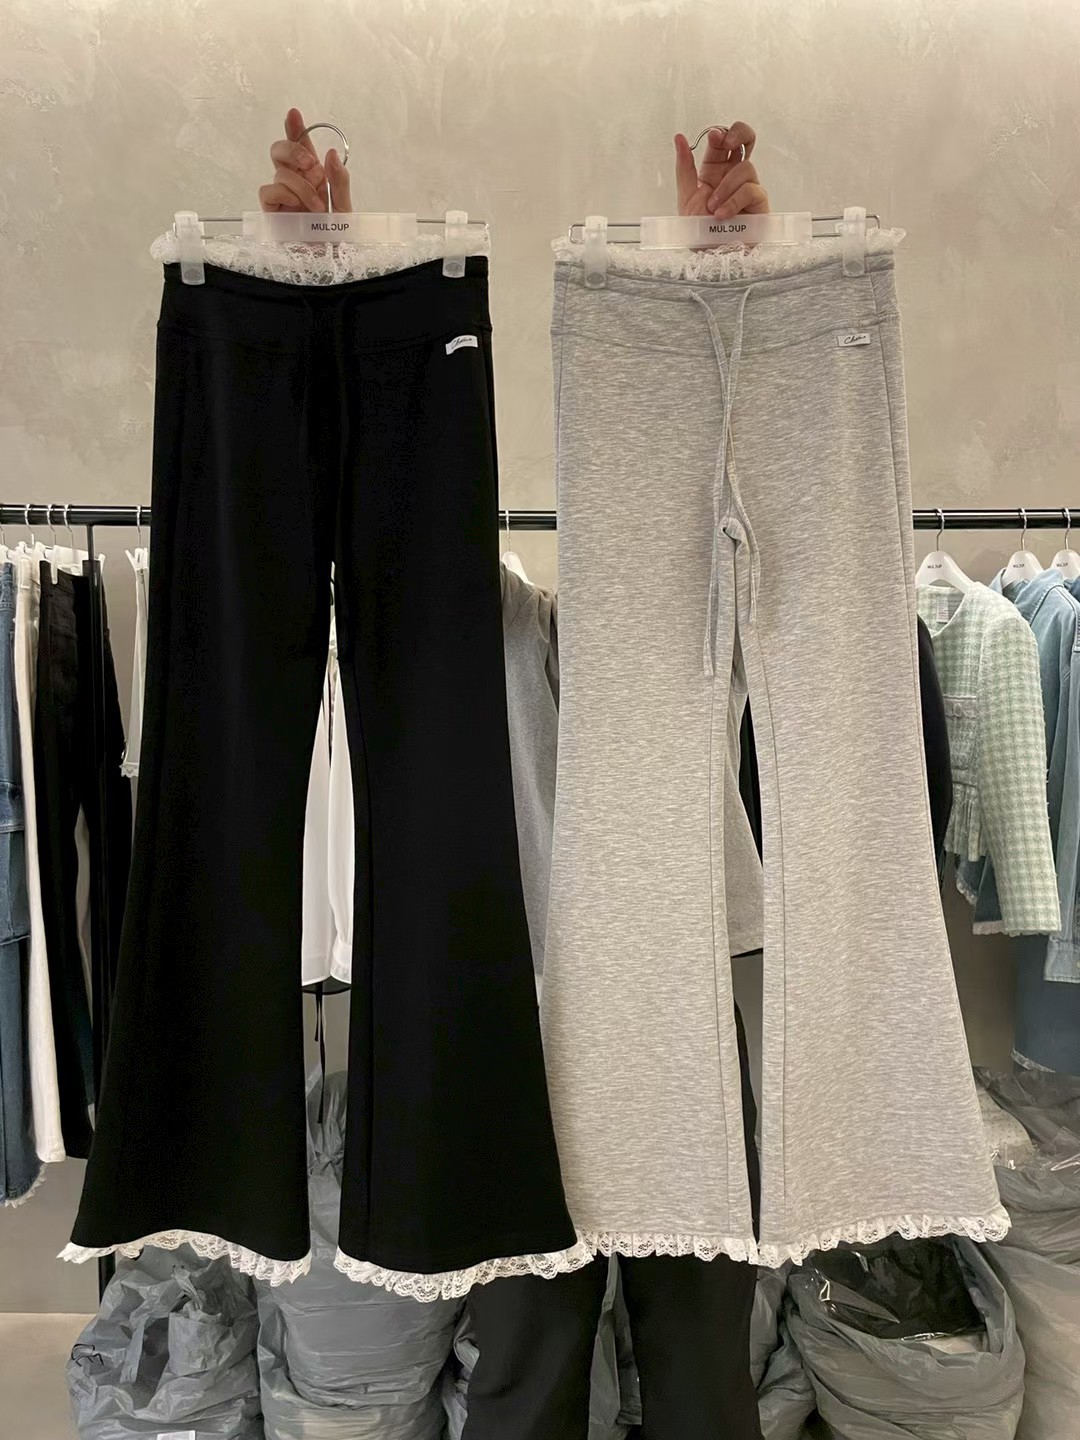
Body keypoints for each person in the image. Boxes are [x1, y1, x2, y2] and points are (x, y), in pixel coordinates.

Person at [255, 109, 772, 1440]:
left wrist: (718, 291)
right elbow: (334, 509)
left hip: (682, 1000)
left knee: (702, 1364)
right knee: (529, 1366)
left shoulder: (671, 606)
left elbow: (748, 502)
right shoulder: (441, 614)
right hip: (515, 1018)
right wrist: (317, 292)